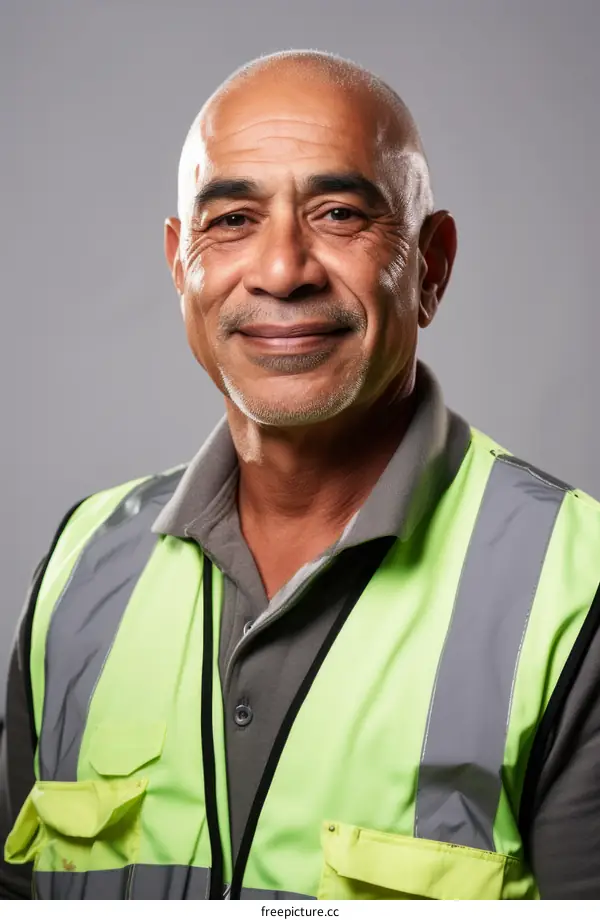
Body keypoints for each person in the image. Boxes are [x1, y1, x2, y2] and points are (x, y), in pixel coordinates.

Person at [1, 49, 600, 902]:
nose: (283, 270)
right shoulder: (80, 564)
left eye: (339, 213)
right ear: (181, 264)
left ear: (432, 266)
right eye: (234, 219)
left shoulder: (578, 587)